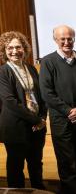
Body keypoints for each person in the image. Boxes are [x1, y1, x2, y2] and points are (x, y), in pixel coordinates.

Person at [39, 25, 76, 194]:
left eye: (70, 38)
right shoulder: (47, 61)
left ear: (74, 39)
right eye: (63, 39)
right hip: (61, 120)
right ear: (56, 40)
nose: (67, 42)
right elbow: (47, 93)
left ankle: (75, 189)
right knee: (66, 160)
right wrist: (69, 111)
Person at [0, 31, 46, 189]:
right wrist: (36, 120)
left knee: (36, 164)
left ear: (24, 49)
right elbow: (10, 102)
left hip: (36, 128)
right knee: (15, 166)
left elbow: (41, 96)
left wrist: (43, 118)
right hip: (15, 127)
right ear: (4, 51)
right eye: (10, 48)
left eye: (18, 47)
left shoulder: (31, 69)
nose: (14, 51)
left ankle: (39, 190)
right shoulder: (3, 72)